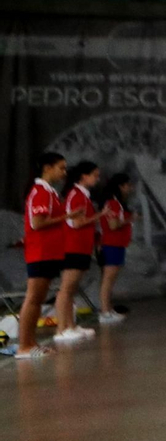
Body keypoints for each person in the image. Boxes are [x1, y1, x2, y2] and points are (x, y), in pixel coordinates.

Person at [18, 153, 69, 358]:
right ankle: (24, 346)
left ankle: (31, 343)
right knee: (33, 299)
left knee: (37, 300)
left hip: (48, 252)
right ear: (47, 168)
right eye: (61, 168)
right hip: (40, 252)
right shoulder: (40, 192)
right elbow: (37, 223)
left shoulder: (49, 192)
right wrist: (67, 216)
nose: (64, 173)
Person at [58, 160, 102, 342]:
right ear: (84, 176)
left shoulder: (83, 195)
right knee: (66, 288)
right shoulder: (75, 195)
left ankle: (71, 325)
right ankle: (61, 329)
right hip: (72, 247)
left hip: (82, 247)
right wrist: (100, 215)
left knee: (72, 288)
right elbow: (74, 222)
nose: (97, 179)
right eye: (95, 175)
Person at [96, 173, 135, 324]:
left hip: (117, 244)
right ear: (121, 186)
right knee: (108, 279)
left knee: (110, 280)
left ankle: (108, 309)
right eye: (128, 185)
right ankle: (105, 311)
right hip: (111, 244)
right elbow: (113, 225)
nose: (130, 188)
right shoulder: (113, 203)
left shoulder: (117, 203)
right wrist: (129, 219)